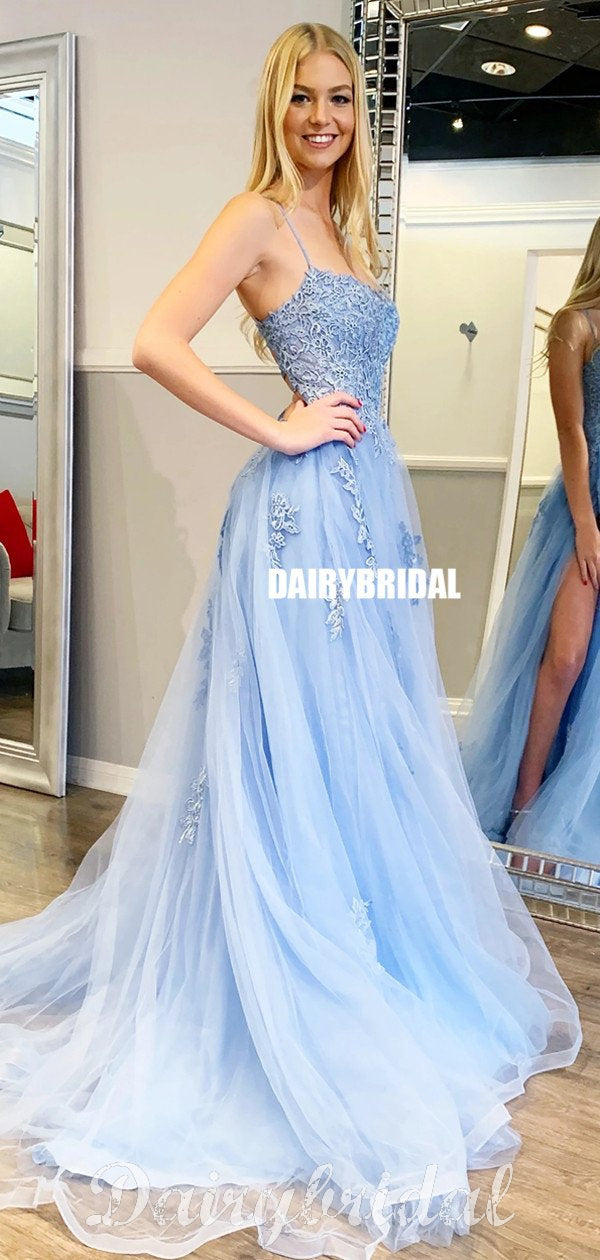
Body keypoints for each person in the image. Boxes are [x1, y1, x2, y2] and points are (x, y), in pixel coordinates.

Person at [0, 21, 582, 1259]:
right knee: (287, 748)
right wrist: (279, 429)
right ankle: (271, 981)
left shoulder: (344, 229)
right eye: (304, 98)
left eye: (340, 100)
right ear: (276, 108)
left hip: (369, 517)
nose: (324, 117)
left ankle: (358, 953)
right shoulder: (257, 215)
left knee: (359, 742)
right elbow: (156, 341)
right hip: (299, 519)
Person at [459, 218, 600, 874]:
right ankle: (521, 804)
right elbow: (571, 433)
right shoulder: (575, 323)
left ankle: (573, 813)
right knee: (564, 660)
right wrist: (587, 525)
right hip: (583, 509)